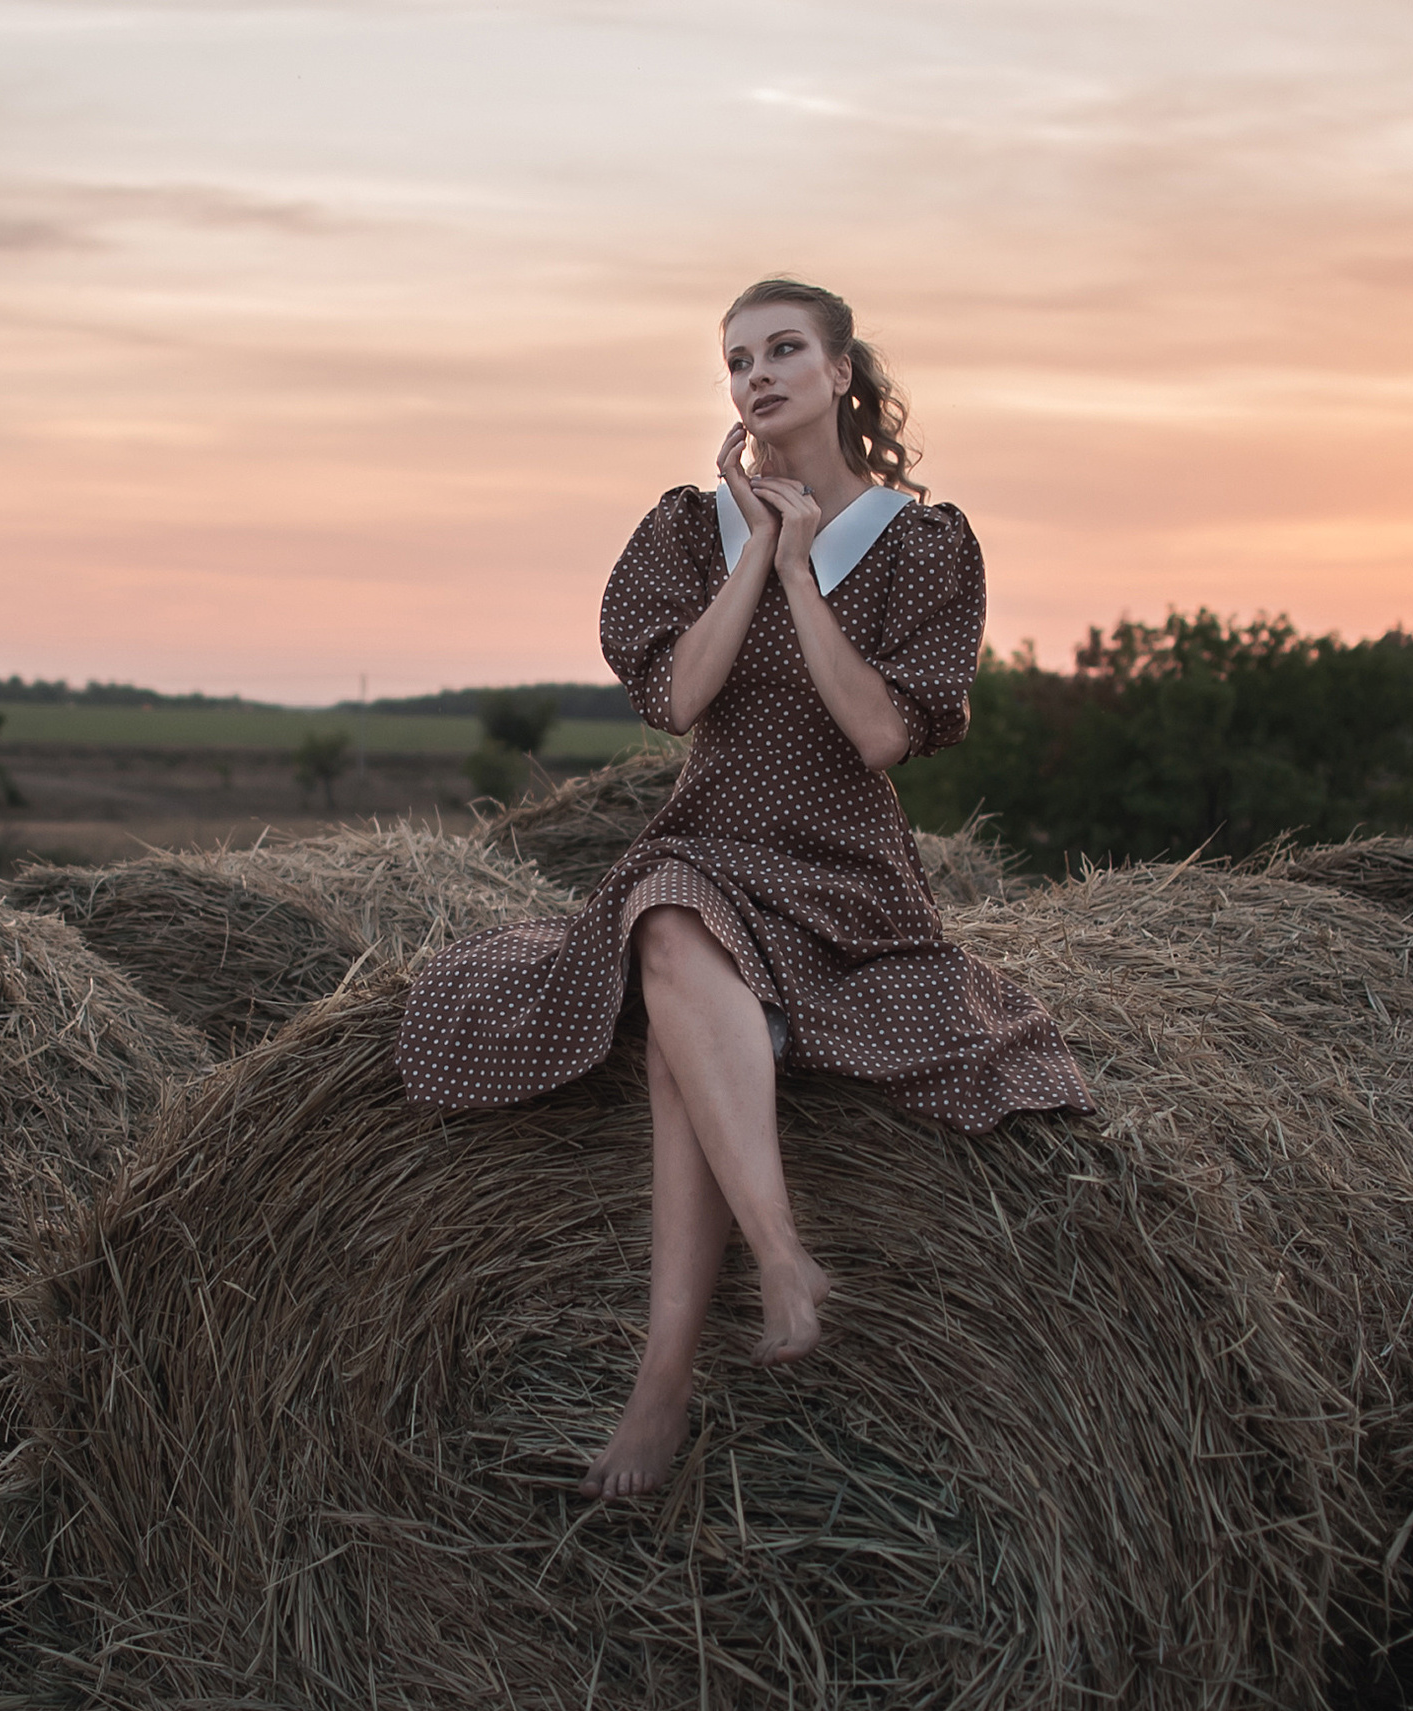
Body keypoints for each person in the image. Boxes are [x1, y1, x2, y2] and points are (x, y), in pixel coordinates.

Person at [394, 278, 1093, 1500]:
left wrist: (805, 575)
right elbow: (678, 699)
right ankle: (777, 1262)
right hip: (709, 835)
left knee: (677, 1045)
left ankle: (664, 1380)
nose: (756, 373)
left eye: (783, 350)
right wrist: (753, 549)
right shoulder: (683, 532)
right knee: (666, 911)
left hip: (842, 864)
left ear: (839, 373)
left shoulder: (920, 543)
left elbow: (879, 734)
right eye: (735, 359)